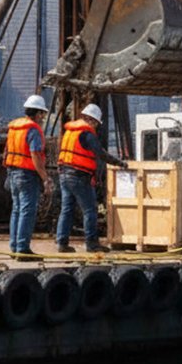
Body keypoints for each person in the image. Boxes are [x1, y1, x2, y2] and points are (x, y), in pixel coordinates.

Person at [54, 103, 126, 254]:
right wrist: (120, 163)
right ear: (92, 120)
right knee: (90, 210)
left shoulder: (70, 131)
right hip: (79, 176)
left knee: (66, 209)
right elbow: (101, 154)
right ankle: (92, 244)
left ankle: (62, 243)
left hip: (64, 174)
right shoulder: (87, 134)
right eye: (96, 123)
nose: (96, 127)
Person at [4, 94, 51, 258]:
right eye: (43, 114)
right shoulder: (33, 130)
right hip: (27, 174)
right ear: (38, 114)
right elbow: (36, 156)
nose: (43, 118)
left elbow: (6, 151)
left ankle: (15, 246)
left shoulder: (15, 127)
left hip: (13, 171)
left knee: (17, 210)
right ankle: (23, 248)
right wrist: (45, 177)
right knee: (27, 211)